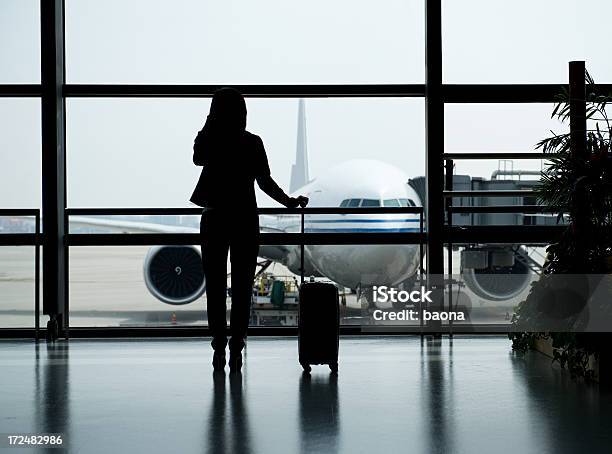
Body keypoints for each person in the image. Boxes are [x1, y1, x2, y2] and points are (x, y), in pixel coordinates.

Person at [190, 88, 308, 372]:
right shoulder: (252, 142)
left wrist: (209, 121)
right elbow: (265, 182)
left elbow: (197, 158)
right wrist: (289, 202)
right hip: (245, 219)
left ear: (215, 111)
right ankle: (237, 346)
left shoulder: (210, 140)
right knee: (242, 288)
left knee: (216, 288)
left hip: (215, 218)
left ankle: (218, 345)